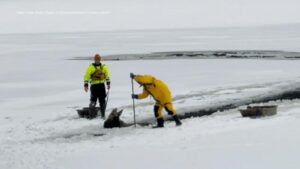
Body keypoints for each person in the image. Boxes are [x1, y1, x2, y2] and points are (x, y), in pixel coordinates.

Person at [84, 53, 110, 119]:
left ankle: (92, 116)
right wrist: (108, 83)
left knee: (94, 101)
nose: (97, 60)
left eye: (98, 59)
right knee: (101, 101)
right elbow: (107, 76)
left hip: (95, 86)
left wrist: (86, 85)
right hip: (100, 86)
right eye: (97, 59)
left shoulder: (91, 67)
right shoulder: (103, 67)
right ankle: (102, 116)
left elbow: (86, 76)